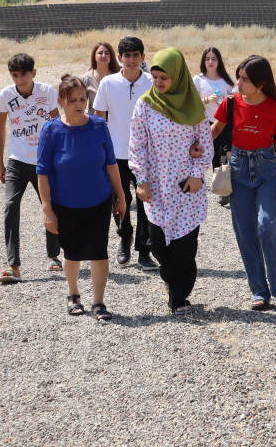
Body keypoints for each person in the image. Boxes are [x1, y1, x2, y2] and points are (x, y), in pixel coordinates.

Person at [211, 56, 276, 311]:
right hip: (238, 171)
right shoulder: (231, 102)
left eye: (244, 79)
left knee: (267, 227)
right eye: (238, 77)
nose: (238, 83)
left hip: (267, 171)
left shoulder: (274, 107)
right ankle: (260, 292)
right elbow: (215, 131)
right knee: (246, 233)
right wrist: (193, 149)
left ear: (260, 84)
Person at [129, 48, 214, 315]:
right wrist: (140, 180)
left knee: (185, 248)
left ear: (177, 76)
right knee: (156, 242)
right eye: (154, 77)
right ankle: (170, 279)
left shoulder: (193, 106)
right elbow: (137, 145)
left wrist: (198, 174)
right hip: (155, 187)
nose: (159, 82)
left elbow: (205, 144)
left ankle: (178, 298)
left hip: (185, 186)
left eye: (164, 77)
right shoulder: (145, 104)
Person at [37, 75, 127, 320]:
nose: (79, 104)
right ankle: (73, 294)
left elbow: (111, 164)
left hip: (98, 200)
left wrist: (121, 195)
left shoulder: (98, 126)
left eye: (82, 99)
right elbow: (42, 172)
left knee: (99, 251)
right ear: (61, 101)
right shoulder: (51, 129)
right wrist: (47, 208)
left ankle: (99, 302)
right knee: (72, 253)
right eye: (73, 100)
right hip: (64, 203)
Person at [0, 53, 62, 284]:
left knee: (50, 205)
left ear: (33, 73)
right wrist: (0, 162)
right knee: (10, 206)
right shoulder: (5, 95)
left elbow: (57, 124)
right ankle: (14, 265)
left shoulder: (47, 92)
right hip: (17, 160)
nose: (19, 80)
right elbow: (1, 129)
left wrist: (61, 157)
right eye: (15, 75)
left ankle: (53, 255)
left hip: (44, 161)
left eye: (24, 74)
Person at [93, 36, 159, 271]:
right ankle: (124, 237)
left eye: (136, 55)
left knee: (145, 204)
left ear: (143, 57)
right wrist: (98, 151)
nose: (131, 60)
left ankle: (144, 251)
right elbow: (99, 118)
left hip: (146, 155)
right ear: (119, 58)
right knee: (119, 202)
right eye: (127, 56)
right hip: (115, 155)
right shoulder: (108, 83)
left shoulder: (154, 83)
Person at [193, 47, 236, 204]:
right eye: (207, 59)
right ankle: (218, 185)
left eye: (214, 59)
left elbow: (235, 99)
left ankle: (225, 188)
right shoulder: (198, 80)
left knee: (225, 153)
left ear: (219, 61)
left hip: (225, 123)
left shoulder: (227, 80)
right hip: (205, 123)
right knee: (211, 155)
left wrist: (226, 101)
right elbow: (191, 103)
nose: (210, 62)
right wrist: (207, 100)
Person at [79, 42, 120, 114]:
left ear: (111, 56)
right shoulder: (84, 79)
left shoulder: (120, 76)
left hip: (116, 122)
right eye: (100, 53)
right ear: (94, 56)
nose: (104, 55)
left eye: (107, 53)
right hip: (94, 122)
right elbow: (79, 105)